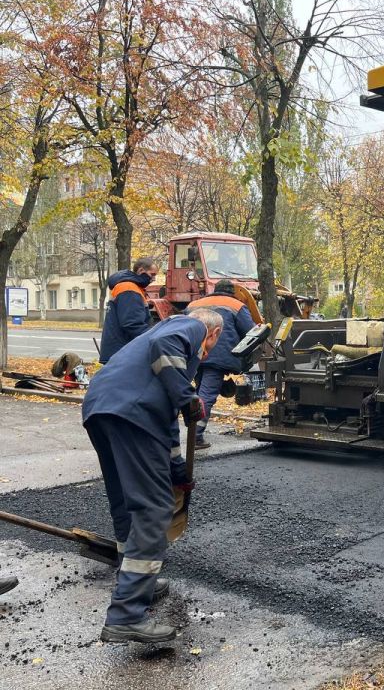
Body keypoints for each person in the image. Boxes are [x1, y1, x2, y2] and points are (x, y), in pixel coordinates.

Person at [82, 308, 222, 644]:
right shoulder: (188, 326)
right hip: (132, 413)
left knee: (126, 502)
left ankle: (133, 578)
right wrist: (189, 398)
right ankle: (127, 614)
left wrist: (178, 472)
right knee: (155, 509)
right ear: (213, 334)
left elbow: (168, 424)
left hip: (102, 408)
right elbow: (165, 345)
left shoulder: (156, 356)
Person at [186, 280, 256, 449]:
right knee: (207, 396)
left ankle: (192, 431)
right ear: (232, 292)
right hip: (218, 357)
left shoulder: (193, 304)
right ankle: (196, 437)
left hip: (195, 355)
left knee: (197, 392)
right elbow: (251, 331)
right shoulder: (236, 305)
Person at [99, 257, 158, 364]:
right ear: (141, 271)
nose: (153, 279)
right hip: (123, 352)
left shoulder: (130, 287)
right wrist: (154, 337)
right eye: (152, 274)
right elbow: (132, 324)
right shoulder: (129, 288)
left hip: (119, 350)